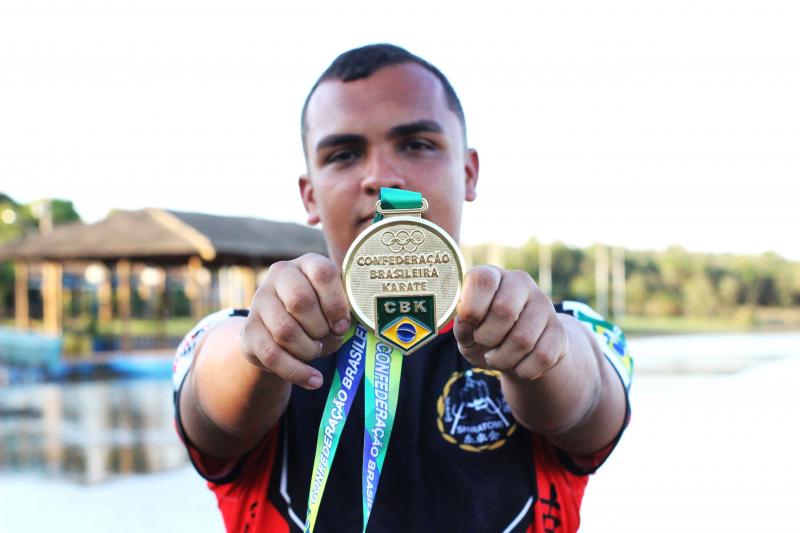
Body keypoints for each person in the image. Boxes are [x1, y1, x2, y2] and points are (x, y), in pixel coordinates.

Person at [173, 43, 632, 533]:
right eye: (344, 154)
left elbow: (585, 402)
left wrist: (542, 352)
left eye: (416, 144)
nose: (383, 178)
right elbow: (211, 407)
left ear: (468, 171)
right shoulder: (248, 338)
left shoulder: (556, 330)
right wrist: (258, 354)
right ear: (309, 194)